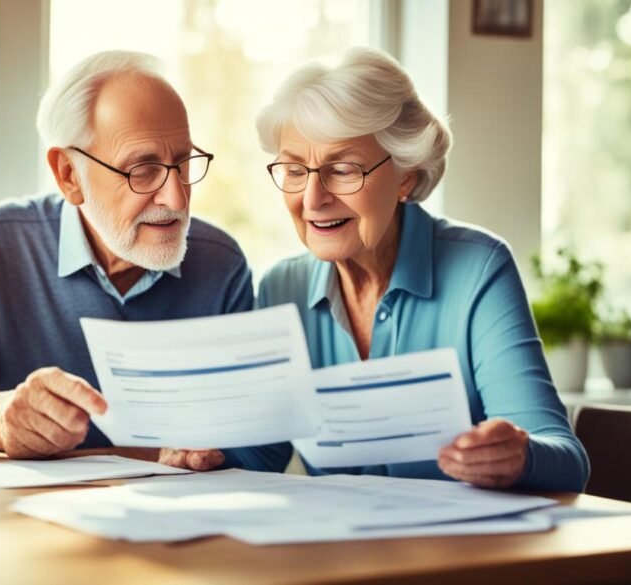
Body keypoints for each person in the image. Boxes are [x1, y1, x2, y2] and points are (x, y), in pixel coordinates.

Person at [0, 51, 267, 471]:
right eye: (142, 170)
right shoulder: (3, 247)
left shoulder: (220, 265)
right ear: (69, 174)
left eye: (182, 163)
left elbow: (263, 450)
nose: (177, 198)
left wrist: (200, 453)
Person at [251, 48, 589, 491]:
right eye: (295, 170)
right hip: (339, 553)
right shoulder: (282, 287)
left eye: (344, 169)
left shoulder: (478, 270)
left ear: (406, 176)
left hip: (458, 554)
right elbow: (259, 454)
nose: (312, 199)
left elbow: (567, 463)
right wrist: (201, 452)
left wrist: (517, 456)